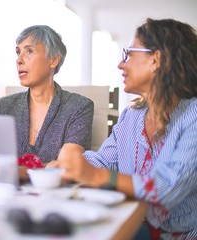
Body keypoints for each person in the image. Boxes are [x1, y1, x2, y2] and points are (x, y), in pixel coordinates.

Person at [51, 18, 197, 239]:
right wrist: (64, 166)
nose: (121, 64)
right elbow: (104, 160)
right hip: (134, 224)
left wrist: (98, 177)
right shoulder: (132, 115)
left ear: (155, 60)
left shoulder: (192, 116)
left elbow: (167, 186)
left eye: (128, 54)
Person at [0, 25, 94, 179]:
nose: (19, 60)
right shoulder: (4, 107)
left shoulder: (79, 107)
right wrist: (45, 168)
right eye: (18, 52)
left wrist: (18, 171)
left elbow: (68, 166)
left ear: (53, 60)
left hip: (57, 196)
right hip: (8, 195)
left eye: (29, 51)